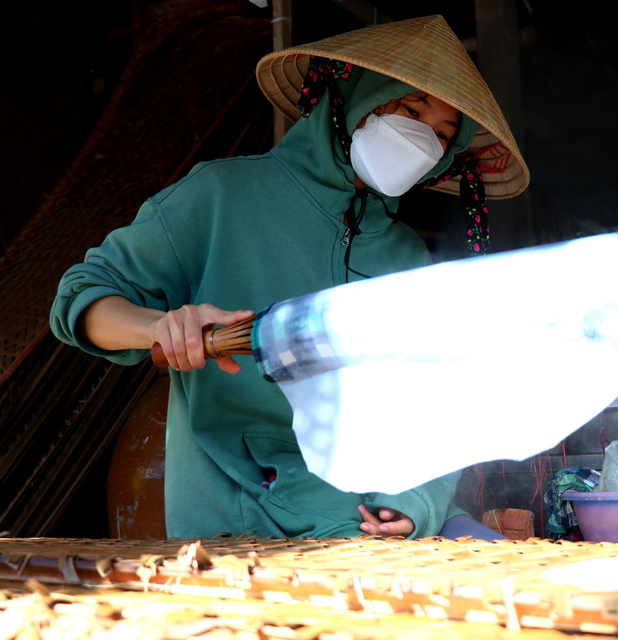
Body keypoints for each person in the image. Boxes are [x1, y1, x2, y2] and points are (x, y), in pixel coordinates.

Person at [50, 15, 529, 540]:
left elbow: (439, 402)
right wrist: (161, 328)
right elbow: (81, 299)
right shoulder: (222, 196)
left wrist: (416, 501)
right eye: (411, 110)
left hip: (385, 530)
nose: (422, 140)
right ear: (352, 97)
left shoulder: (406, 256)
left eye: (440, 135)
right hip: (246, 529)